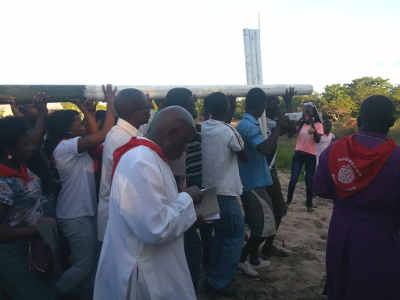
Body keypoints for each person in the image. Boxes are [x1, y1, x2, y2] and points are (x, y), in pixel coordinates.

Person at [94, 106, 202, 300]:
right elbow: (156, 227)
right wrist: (188, 198)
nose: (185, 149)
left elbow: (157, 208)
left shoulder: (150, 157)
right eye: (184, 141)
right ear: (171, 134)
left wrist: (189, 212)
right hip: (144, 275)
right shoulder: (140, 161)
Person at [314, 95, 400, 300]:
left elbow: (321, 188)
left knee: (341, 282)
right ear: (391, 122)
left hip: (341, 230)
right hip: (382, 235)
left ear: (359, 120)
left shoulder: (334, 150)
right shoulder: (396, 158)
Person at [46, 85, 116, 298]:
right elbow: (104, 134)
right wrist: (110, 103)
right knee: (85, 264)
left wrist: (88, 112)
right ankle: (51, 294)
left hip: (82, 212)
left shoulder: (72, 145)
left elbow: (96, 134)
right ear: (68, 129)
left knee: (90, 261)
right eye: (78, 121)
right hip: (74, 214)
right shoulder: (66, 147)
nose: (82, 124)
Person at [0, 117, 56, 300]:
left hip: (32, 245)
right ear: (8, 149)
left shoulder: (22, 166)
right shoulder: (4, 182)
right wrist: (34, 230)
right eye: (25, 144)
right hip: (12, 252)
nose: (32, 147)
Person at [202, 92, 245, 297]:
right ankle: (221, 282)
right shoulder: (228, 131)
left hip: (207, 191)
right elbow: (242, 152)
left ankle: (213, 276)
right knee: (234, 236)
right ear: (226, 110)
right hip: (226, 192)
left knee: (219, 235)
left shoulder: (202, 128)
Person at [97, 88, 151, 242]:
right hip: (119, 217)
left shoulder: (131, 132)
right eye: (146, 107)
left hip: (122, 215)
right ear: (135, 112)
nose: (150, 111)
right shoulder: (120, 139)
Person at [235, 88, 276, 277]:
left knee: (262, 222)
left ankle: (252, 259)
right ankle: (243, 259)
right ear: (262, 105)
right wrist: (279, 131)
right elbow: (265, 149)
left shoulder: (248, 124)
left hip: (256, 181)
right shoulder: (248, 126)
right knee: (261, 225)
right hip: (252, 183)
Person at [261, 95, 290, 259]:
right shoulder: (260, 123)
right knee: (274, 209)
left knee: (278, 209)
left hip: (270, 170)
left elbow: (292, 128)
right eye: (274, 102)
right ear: (265, 104)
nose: (277, 105)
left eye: (279, 102)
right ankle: (261, 248)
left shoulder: (272, 122)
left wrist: (288, 103)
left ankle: (267, 246)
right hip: (263, 171)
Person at [287, 102, 323, 212]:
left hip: (310, 155)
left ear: (313, 112)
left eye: (308, 110)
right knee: (293, 179)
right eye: (305, 110)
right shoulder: (302, 123)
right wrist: (298, 123)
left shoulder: (318, 125)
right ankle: (288, 201)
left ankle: (309, 204)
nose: (306, 112)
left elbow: (317, 140)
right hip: (298, 154)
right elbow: (291, 135)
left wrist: (312, 124)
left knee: (309, 181)